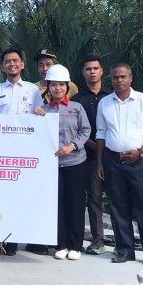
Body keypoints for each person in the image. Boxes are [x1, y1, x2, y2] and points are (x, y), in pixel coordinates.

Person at [95, 63, 143, 266]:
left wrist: (141, 152)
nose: (119, 80)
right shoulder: (105, 103)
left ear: (131, 78)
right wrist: (99, 162)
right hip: (113, 161)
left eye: (123, 76)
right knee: (118, 207)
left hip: (137, 160)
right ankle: (125, 250)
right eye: (115, 77)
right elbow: (100, 133)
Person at [0, 47, 46, 255]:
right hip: (3, 153)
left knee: (26, 197)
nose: (11, 64)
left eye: (15, 60)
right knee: (4, 198)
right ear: (3, 67)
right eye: (7, 61)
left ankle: (29, 238)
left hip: (27, 154)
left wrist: (40, 114)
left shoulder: (32, 90)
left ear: (22, 64)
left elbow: (41, 121)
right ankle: (5, 240)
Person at [44, 64, 91, 261]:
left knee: (76, 204)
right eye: (54, 85)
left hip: (75, 163)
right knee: (58, 205)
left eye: (61, 85)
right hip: (53, 166)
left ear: (67, 87)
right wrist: (36, 118)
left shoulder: (76, 107)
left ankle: (76, 245)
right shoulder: (42, 110)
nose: (57, 89)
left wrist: (72, 146)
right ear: (48, 87)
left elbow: (85, 131)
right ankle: (61, 244)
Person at [71, 55, 109, 255]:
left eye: (95, 68)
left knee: (117, 198)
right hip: (85, 156)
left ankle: (124, 241)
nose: (92, 72)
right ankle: (98, 240)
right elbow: (74, 129)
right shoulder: (76, 100)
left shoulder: (110, 98)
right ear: (83, 73)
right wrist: (96, 148)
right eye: (88, 69)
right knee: (92, 197)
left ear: (102, 71)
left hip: (112, 156)